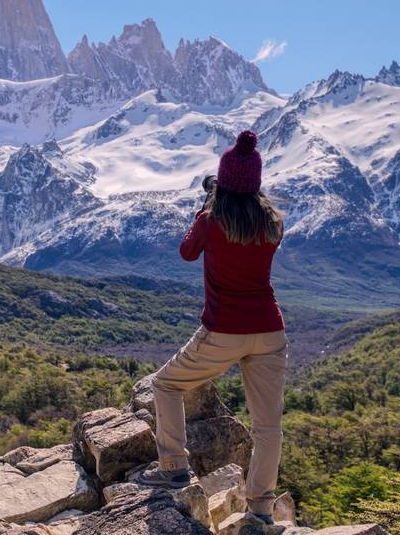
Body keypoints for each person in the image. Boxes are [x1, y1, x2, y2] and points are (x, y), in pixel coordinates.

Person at [136, 130, 287, 528]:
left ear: (223, 180)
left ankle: (173, 466)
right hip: (270, 332)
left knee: (166, 384)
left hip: (222, 331)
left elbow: (188, 252)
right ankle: (260, 509)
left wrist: (207, 204)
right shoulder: (273, 222)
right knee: (268, 427)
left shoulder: (210, 218)